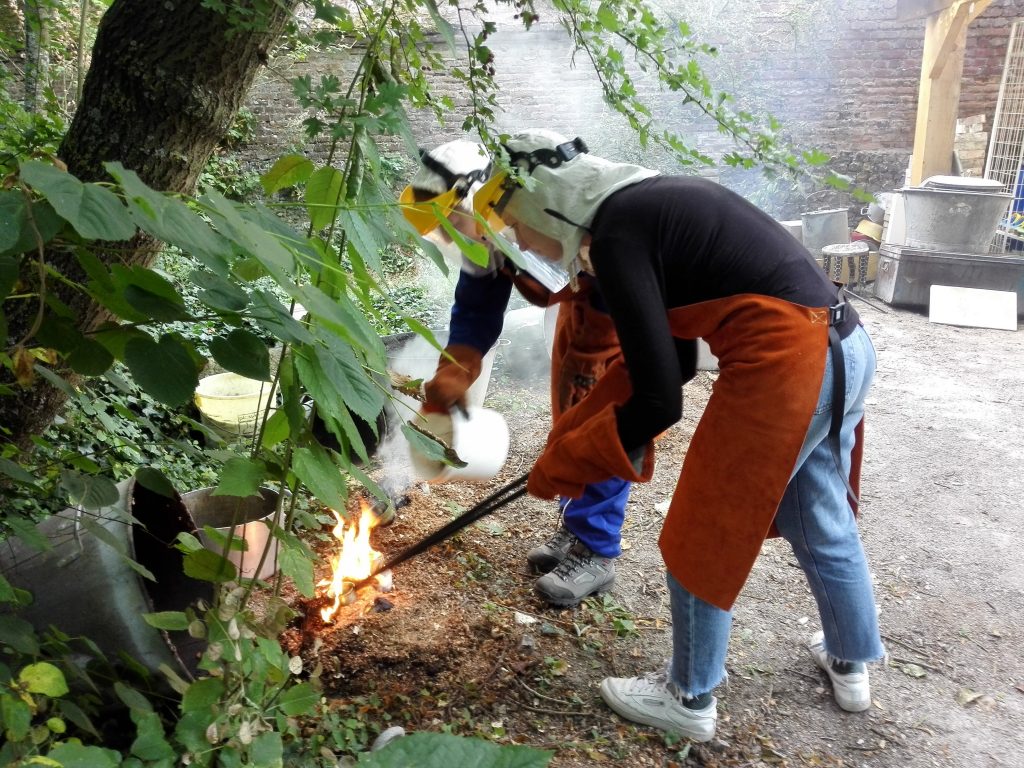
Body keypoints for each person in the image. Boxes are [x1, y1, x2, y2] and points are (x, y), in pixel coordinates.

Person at [472, 128, 885, 742]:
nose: (520, 241)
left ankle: (688, 699)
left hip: (787, 361)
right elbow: (678, 364)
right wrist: (572, 450)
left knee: (704, 525)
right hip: (844, 344)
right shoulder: (640, 208)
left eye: (516, 224)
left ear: (543, 202)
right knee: (816, 510)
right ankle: (851, 662)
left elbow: (660, 400)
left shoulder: (615, 233)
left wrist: (572, 462)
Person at [400, 139, 633, 607]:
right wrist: (455, 370)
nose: (448, 240)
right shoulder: (481, 230)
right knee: (569, 421)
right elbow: (476, 307)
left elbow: (614, 271)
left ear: (475, 197)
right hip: (577, 303)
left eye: (449, 227)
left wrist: (593, 360)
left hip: (621, 308)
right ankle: (576, 525)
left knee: (602, 424)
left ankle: (598, 551)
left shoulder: (547, 207)